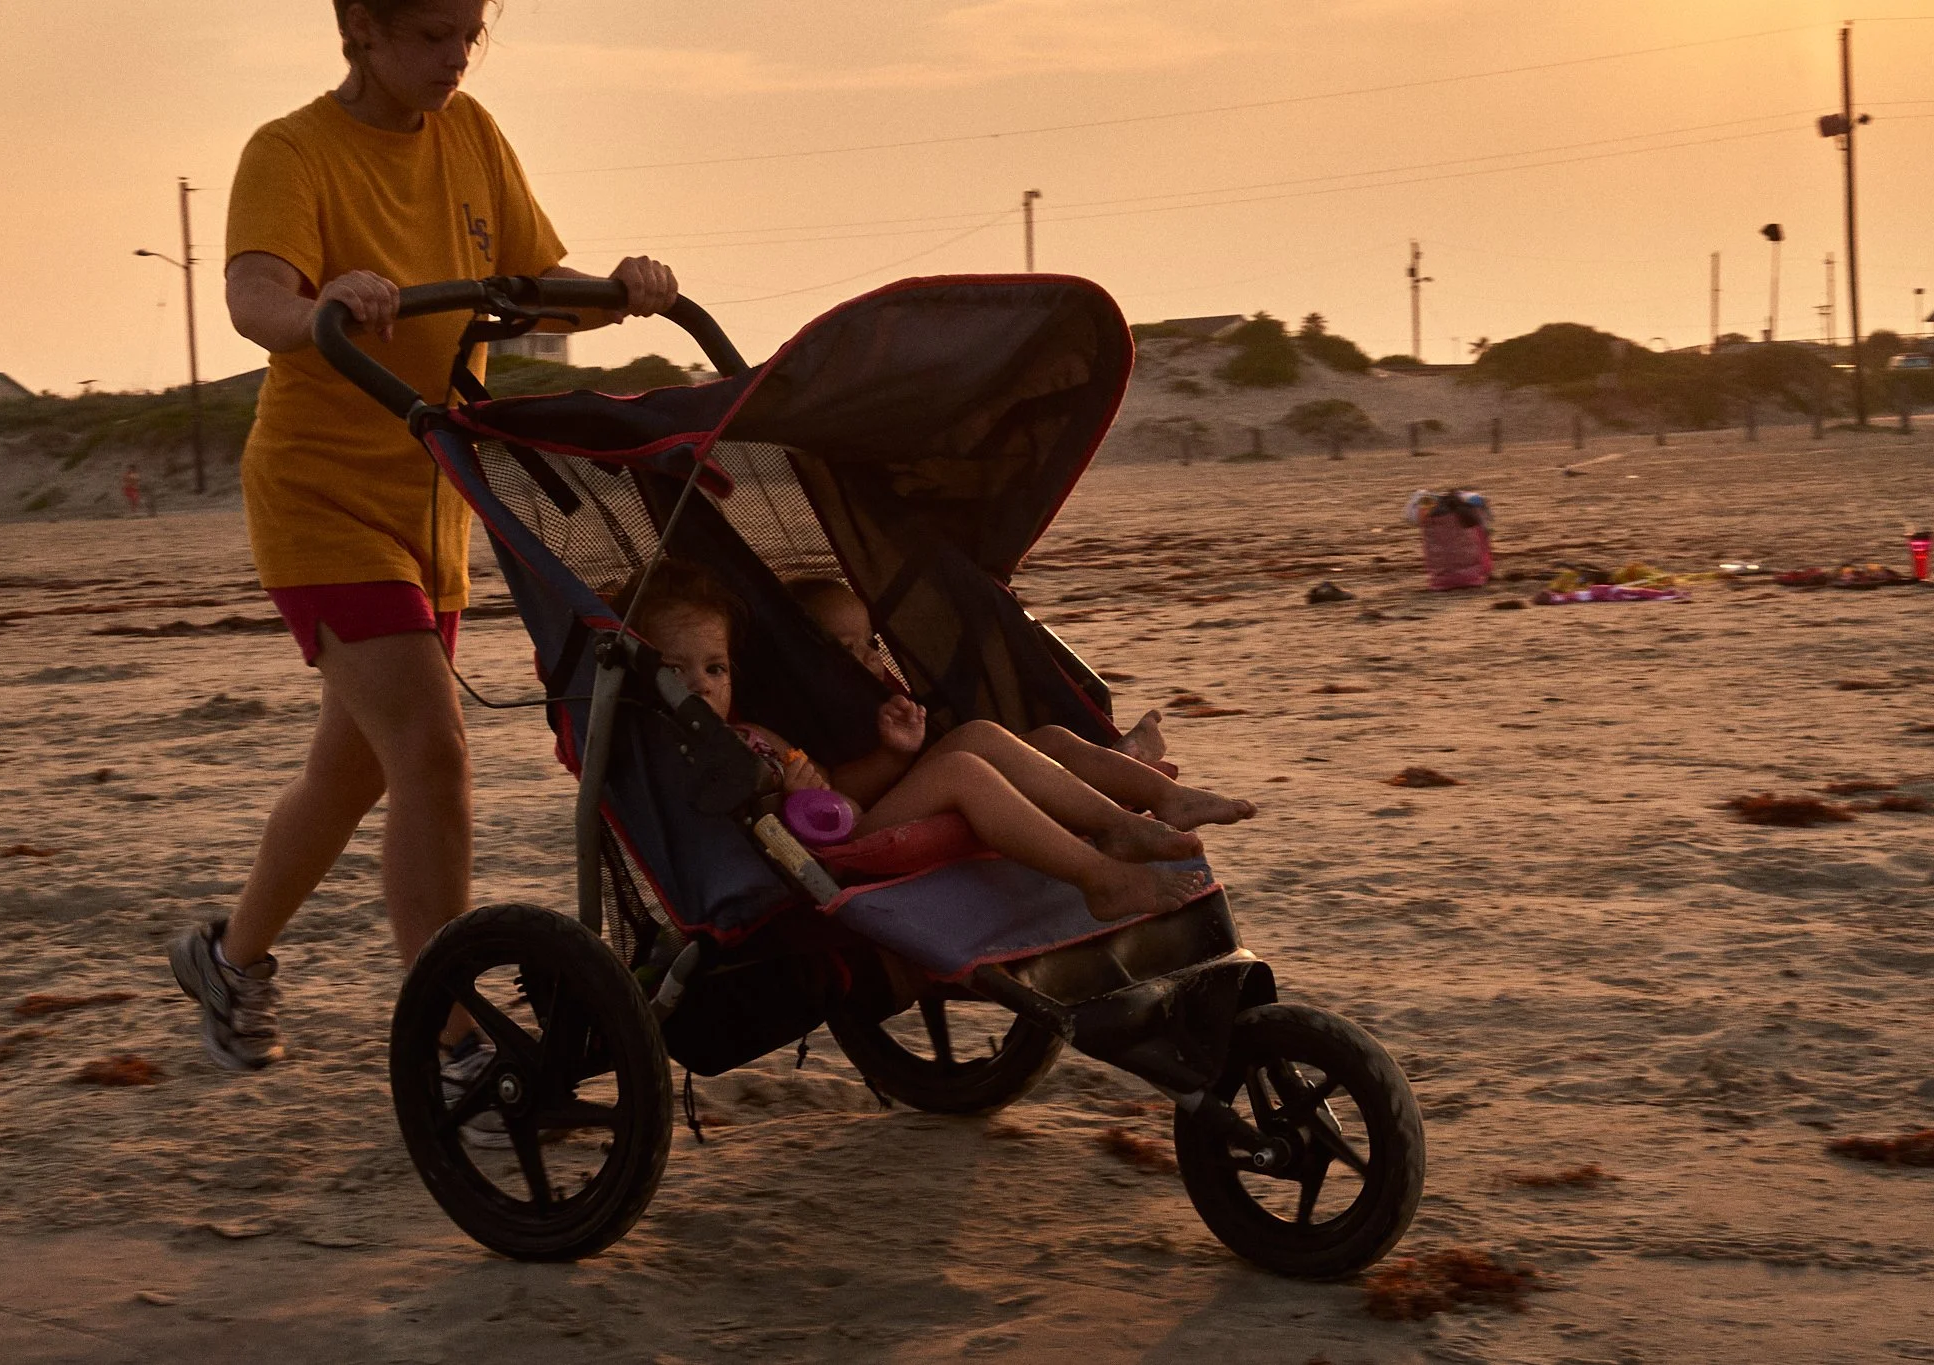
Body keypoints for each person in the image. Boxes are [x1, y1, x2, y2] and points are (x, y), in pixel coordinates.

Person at [168, 0, 679, 1075]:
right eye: (429, 34)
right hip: (321, 497)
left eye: (467, 33)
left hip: (434, 499)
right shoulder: (291, 150)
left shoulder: (472, 133)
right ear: (361, 28)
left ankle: (227, 955)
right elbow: (252, 294)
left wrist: (620, 294)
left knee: (354, 774)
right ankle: (450, 1039)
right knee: (433, 752)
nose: (454, 57)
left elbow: (535, 293)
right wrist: (322, 309)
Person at [625, 563, 1251, 922]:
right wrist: (777, 798)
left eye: (716, 668)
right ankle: (1099, 875)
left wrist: (892, 756)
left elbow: (840, 795)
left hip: (850, 826)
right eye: (676, 672)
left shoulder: (754, 735)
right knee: (967, 773)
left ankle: (1145, 807)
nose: (701, 686)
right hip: (814, 866)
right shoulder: (678, 755)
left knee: (991, 736)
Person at [785, 575, 1192, 787]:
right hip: (910, 789)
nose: (871, 656)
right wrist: (894, 755)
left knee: (1048, 737)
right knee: (980, 748)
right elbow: (840, 787)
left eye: (871, 642)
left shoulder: (870, 694)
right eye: (848, 648)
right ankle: (1115, 790)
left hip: (926, 772)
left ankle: (1144, 782)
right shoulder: (804, 713)